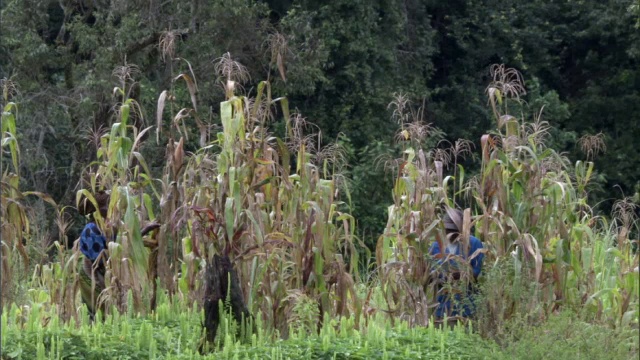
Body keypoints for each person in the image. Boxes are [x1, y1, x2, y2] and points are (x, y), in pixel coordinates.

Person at [429, 207, 484, 321]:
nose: (450, 233)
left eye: (454, 229)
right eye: (448, 229)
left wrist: (462, 275)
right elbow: (430, 273)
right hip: (442, 306)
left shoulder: (474, 244)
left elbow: (477, 271)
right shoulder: (436, 246)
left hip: (467, 307)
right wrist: (441, 276)